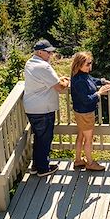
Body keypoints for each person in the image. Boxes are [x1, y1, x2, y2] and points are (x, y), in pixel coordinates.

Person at [23, 39, 70, 177]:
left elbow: (48, 81)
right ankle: (43, 168)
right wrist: (66, 81)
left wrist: (58, 80)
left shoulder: (30, 63)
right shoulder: (43, 67)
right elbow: (60, 87)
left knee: (39, 137)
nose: (51, 54)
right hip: (43, 109)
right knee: (45, 138)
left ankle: (36, 166)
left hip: (32, 107)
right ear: (40, 52)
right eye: (48, 52)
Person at [70, 51, 110, 171]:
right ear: (79, 64)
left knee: (81, 136)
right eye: (87, 64)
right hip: (85, 113)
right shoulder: (79, 80)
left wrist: (104, 81)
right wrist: (99, 92)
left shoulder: (81, 75)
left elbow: (92, 80)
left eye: (90, 63)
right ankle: (90, 163)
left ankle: (78, 160)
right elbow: (86, 100)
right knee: (88, 139)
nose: (90, 66)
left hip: (80, 112)